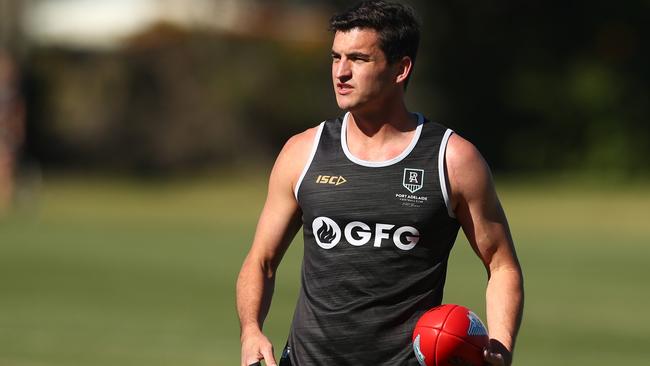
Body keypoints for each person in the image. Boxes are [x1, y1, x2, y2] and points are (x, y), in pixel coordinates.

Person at [236, 1, 523, 365]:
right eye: (335, 57)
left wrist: (500, 345)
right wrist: (251, 330)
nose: (341, 72)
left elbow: (502, 265)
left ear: (400, 69)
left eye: (358, 59)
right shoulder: (303, 152)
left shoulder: (452, 159)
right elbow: (261, 261)